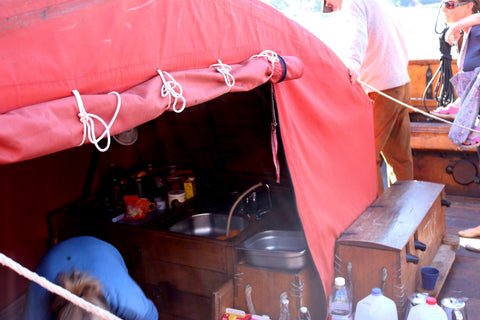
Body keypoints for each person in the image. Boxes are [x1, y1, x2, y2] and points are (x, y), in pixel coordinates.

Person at [324, 0, 414, 195]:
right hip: (401, 85)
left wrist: (352, 64)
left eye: (328, 3)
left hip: (381, 90)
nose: (331, 6)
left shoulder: (352, 3)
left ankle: (377, 217)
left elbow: (354, 35)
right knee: (400, 158)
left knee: (365, 157)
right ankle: (408, 210)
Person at [22, 236, 158, 320]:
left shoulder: (131, 304)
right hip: (51, 263)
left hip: (101, 251)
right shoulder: (39, 304)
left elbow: (151, 317)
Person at [437, 0, 480, 149]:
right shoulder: (469, 34)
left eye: (450, 4)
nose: (443, 9)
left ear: (470, 5)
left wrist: (456, 25)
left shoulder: (478, 32)